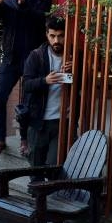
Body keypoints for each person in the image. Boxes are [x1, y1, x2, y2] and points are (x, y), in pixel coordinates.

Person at [0, 0, 52, 159]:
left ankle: (24, 139)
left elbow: (41, 21)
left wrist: (24, 5)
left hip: (33, 58)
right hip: (11, 57)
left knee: (28, 102)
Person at [22, 17, 71, 168]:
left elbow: (83, 85)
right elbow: (26, 84)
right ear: (47, 35)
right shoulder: (36, 56)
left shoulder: (74, 56)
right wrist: (45, 81)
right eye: (53, 36)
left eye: (61, 35)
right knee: (35, 171)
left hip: (62, 121)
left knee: (54, 168)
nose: (57, 40)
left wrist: (74, 72)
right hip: (39, 122)